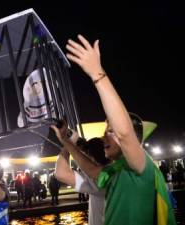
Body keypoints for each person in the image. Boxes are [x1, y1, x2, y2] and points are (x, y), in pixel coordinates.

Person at [51, 34, 176, 225]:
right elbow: (91, 169)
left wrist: (97, 73)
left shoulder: (142, 165)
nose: (104, 136)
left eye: (110, 131)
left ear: (136, 140)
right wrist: (66, 141)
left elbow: (124, 133)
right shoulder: (116, 171)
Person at [55, 137, 109, 225]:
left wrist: (68, 144)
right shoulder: (116, 172)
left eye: (84, 157)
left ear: (91, 158)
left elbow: (61, 173)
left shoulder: (98, 183)